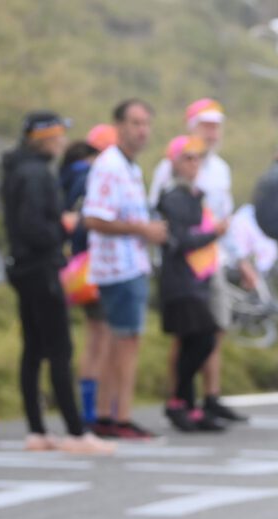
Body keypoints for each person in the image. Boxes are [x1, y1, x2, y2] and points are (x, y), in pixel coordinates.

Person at [0, 111, 115, 454]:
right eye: (60, 134)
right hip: (41, 268)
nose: (64, 141)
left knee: (34, 350)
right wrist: (63, 226)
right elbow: (35, 227)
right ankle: (76, 433)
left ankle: (37, 430)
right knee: (59, 349)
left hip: (23, 266)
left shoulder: (16, 169)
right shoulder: (36, 174)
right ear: (45, 137)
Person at [149, 98, 248, 424]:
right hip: (185, 264)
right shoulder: (170, 169)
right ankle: (179, 397)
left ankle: (210, 397)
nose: (212, 131)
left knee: (213, 328)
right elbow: (162, 220)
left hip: (212, 260)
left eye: (216, 125)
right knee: (188, 333)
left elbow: (223, 218)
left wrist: (240, 258)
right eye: (206, 125)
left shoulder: (220, 168)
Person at [83, 99, 167, 440]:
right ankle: (118, 416)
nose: (141, 130)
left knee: (124, 341)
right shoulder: (110, 165)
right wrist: (142, 230)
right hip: (117, 268)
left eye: (146, 123)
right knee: (122, 342)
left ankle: (109, 415)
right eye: (135, 122)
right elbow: (94, 217)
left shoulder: (130, 167)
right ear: (118, 125)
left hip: (133, 263)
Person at [156, 135, 229, 432]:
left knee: (193, 342)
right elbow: (182, 240)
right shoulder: (174, 197)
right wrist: (215, 233)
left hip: (196, 279)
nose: (194, 164)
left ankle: (188, 404)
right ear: (174, 162)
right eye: (188, 158)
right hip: (180, 281)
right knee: (203, 339)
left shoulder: (193, 195)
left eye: (197, 158)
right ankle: (177, 400)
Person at [60, 123, 117, 427]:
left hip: (74, 269)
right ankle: (95, 406)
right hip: (94, 266)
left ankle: (90, 404)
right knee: (103, 337)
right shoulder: (92, 177)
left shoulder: (68, 173)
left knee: (93, 336)